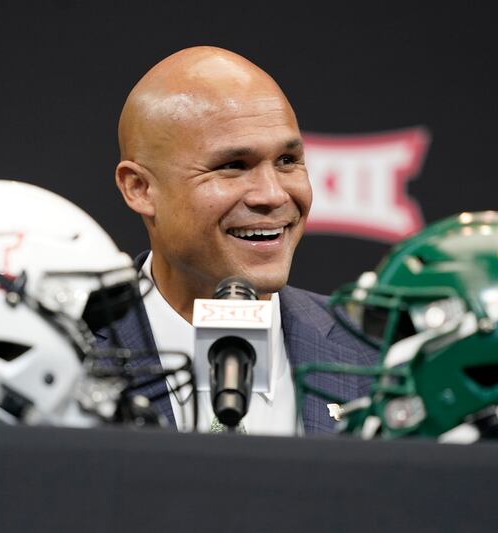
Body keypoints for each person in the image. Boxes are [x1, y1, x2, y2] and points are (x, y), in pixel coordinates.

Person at [96, 46, 376, 435]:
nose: (273, 194)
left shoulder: (378, 358)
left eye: (287, 161)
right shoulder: (62, 355)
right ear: (140, 188)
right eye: (233, 166)